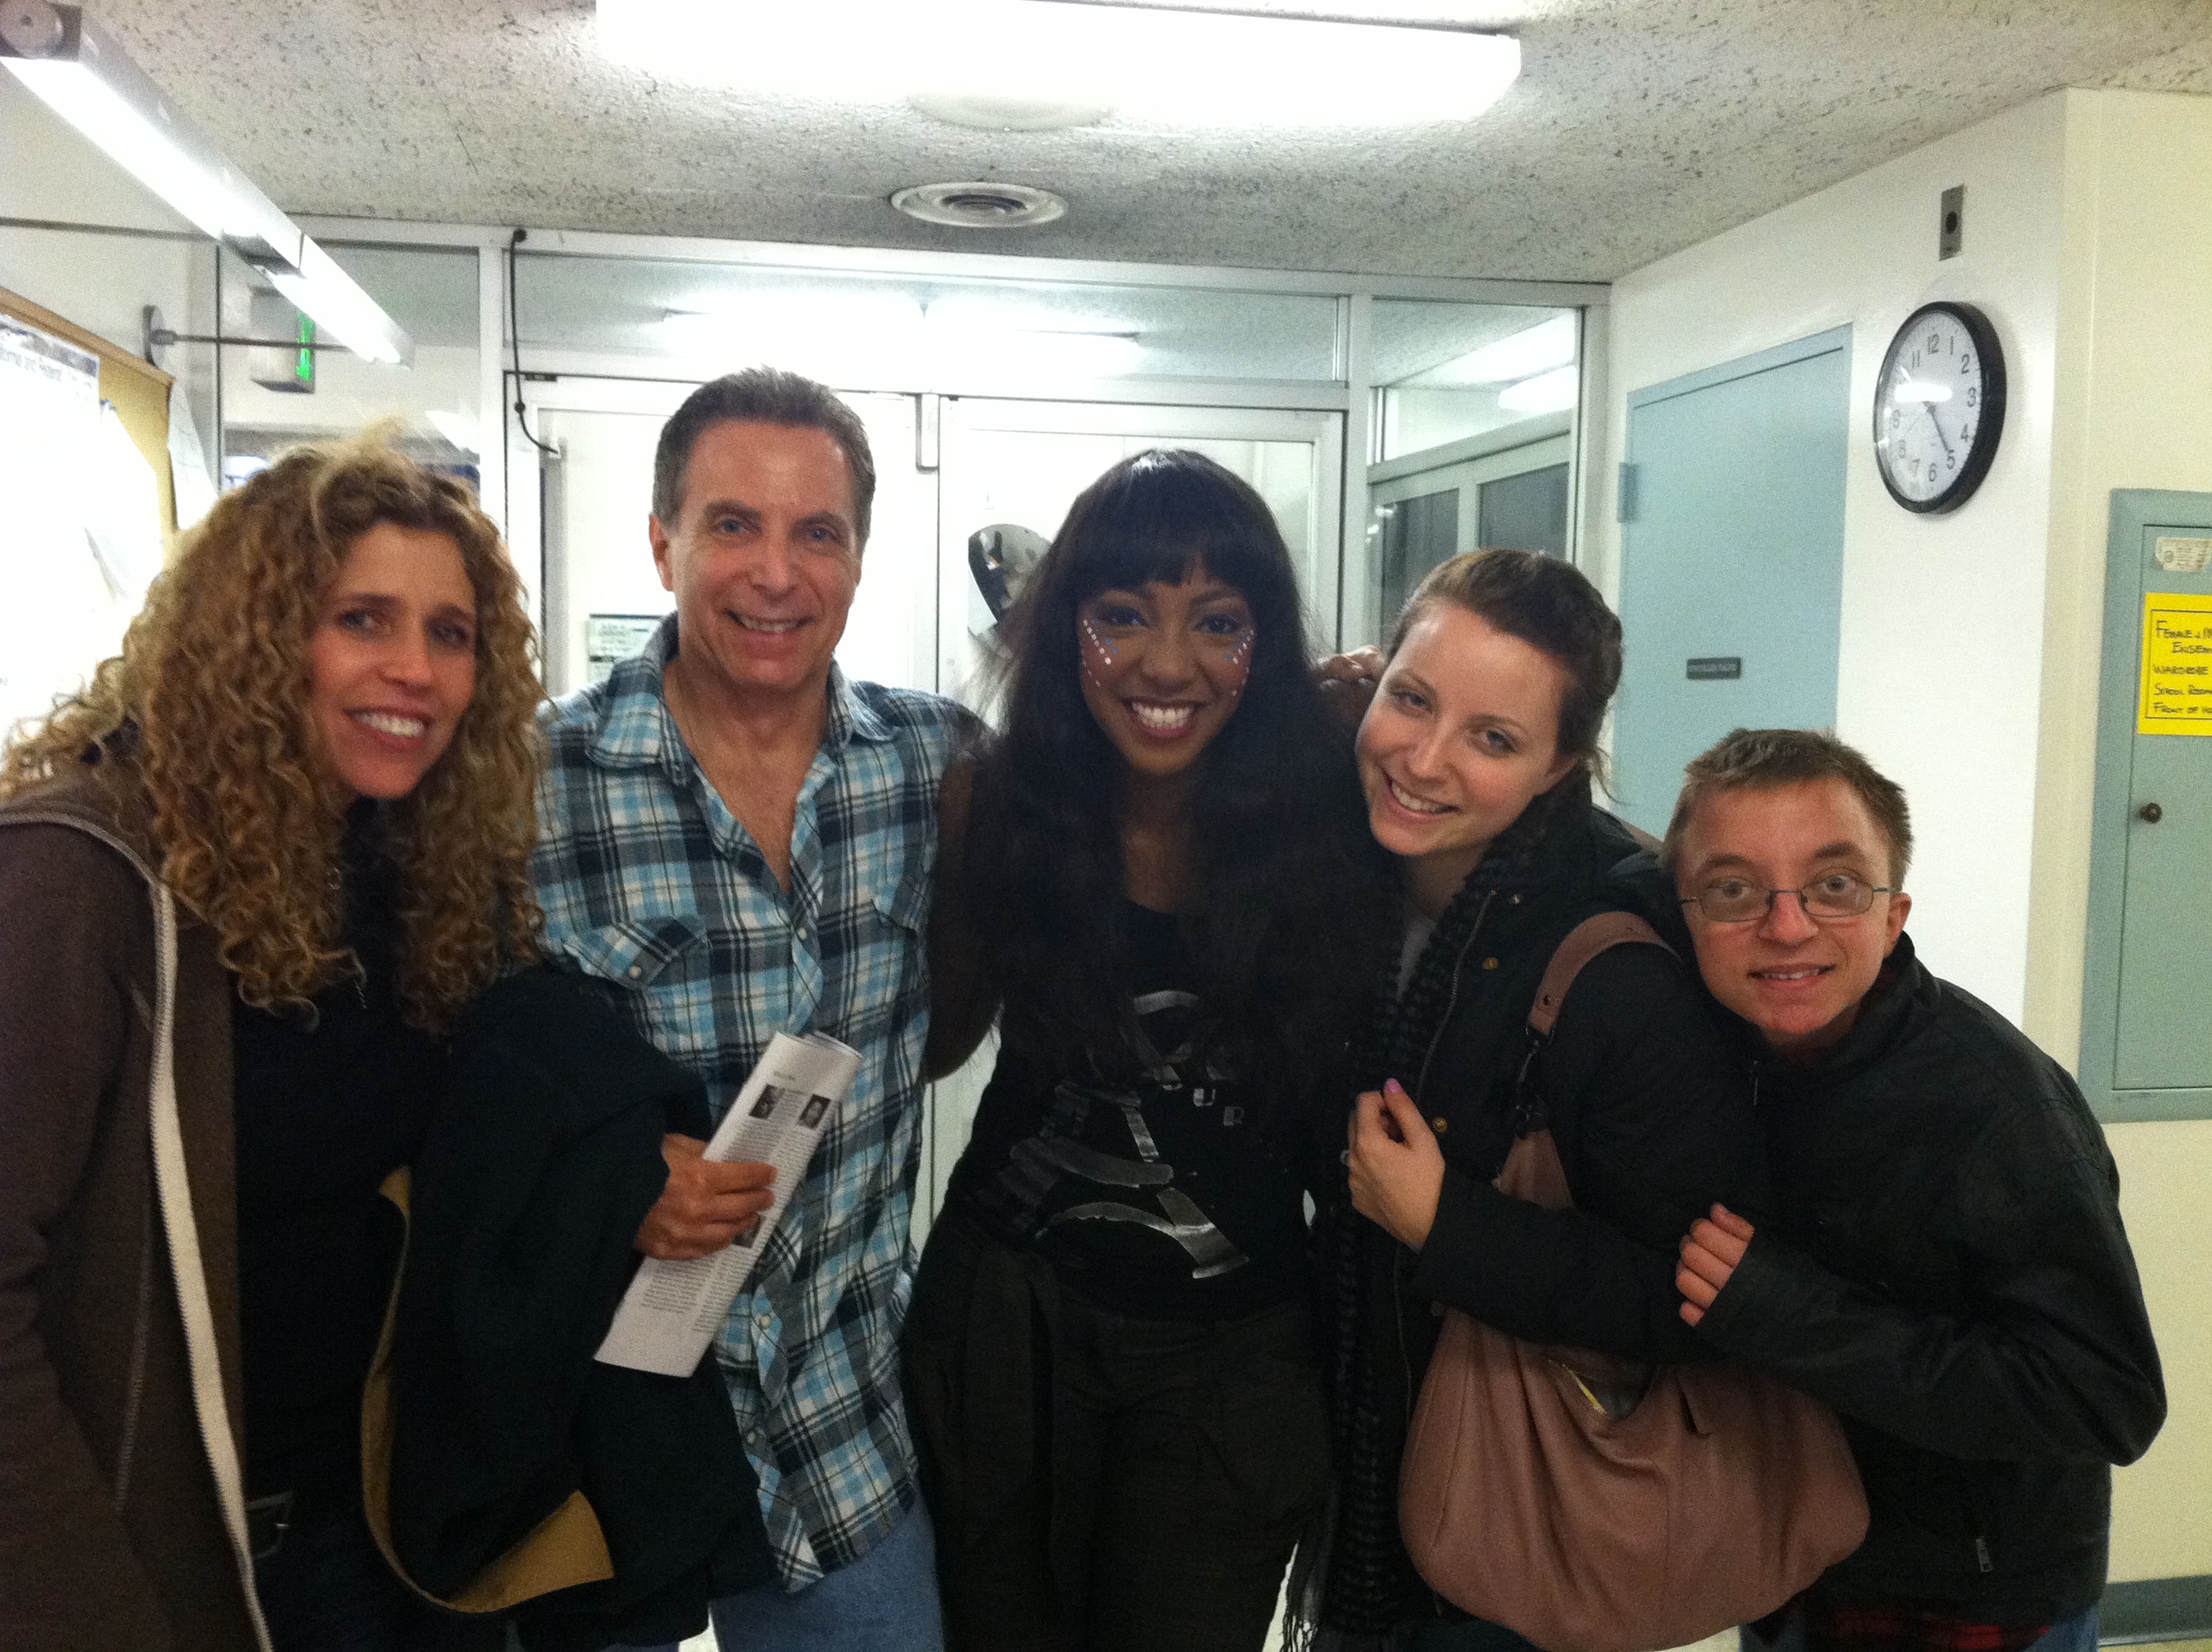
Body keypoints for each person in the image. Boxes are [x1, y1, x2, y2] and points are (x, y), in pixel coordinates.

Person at [0, 438, 542, 1650]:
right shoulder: (74, 877)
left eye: (451, 635)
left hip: (393, 1534)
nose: (416, 670)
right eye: (362, 618)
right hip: (185, 1550)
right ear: (251, 635)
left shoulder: (408, 870)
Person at [904, 449, 1390, 1652]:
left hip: (1234, 1361)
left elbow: (1536, 836)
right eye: (1123, 616)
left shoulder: (1334, 812)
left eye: (1218, 623)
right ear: (1063, 631)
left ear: (1266, 645)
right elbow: (940, 1042)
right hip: (1009, 1328)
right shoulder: (995, 800)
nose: (1168, 664)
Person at [532, 368, 972, 1649]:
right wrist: (616, 1174)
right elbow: (454, 1096)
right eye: (733, 524)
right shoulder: (535, 786)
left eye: (815, 532)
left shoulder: (938, 768)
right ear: (662, 540)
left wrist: (1338, 715)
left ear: (857, 557)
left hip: (838, 1415)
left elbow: (1144, 795)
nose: (775, 573)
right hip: (603, 1422)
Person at [1295, 548, 1770, 1651]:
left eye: (1493, 738)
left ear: (1563, 768)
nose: (1424, 758)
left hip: (1519, 1531)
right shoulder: (1345, 879)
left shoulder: (1622, 962)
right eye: (1410, 699)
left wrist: (1449, 1225)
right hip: (1361, 1475)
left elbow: (1693, 1295)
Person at [1664, 727, 2166, 1652]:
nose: (1786, 924)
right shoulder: (1716, 1063)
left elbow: (2105, 1398)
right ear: (1685, 913)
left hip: (1972, 1603)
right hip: (1792, 1558)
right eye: (1734, 890)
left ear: (1894, 913)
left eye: (1834, 884)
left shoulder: (1997, 1107)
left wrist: (1790, 1312)